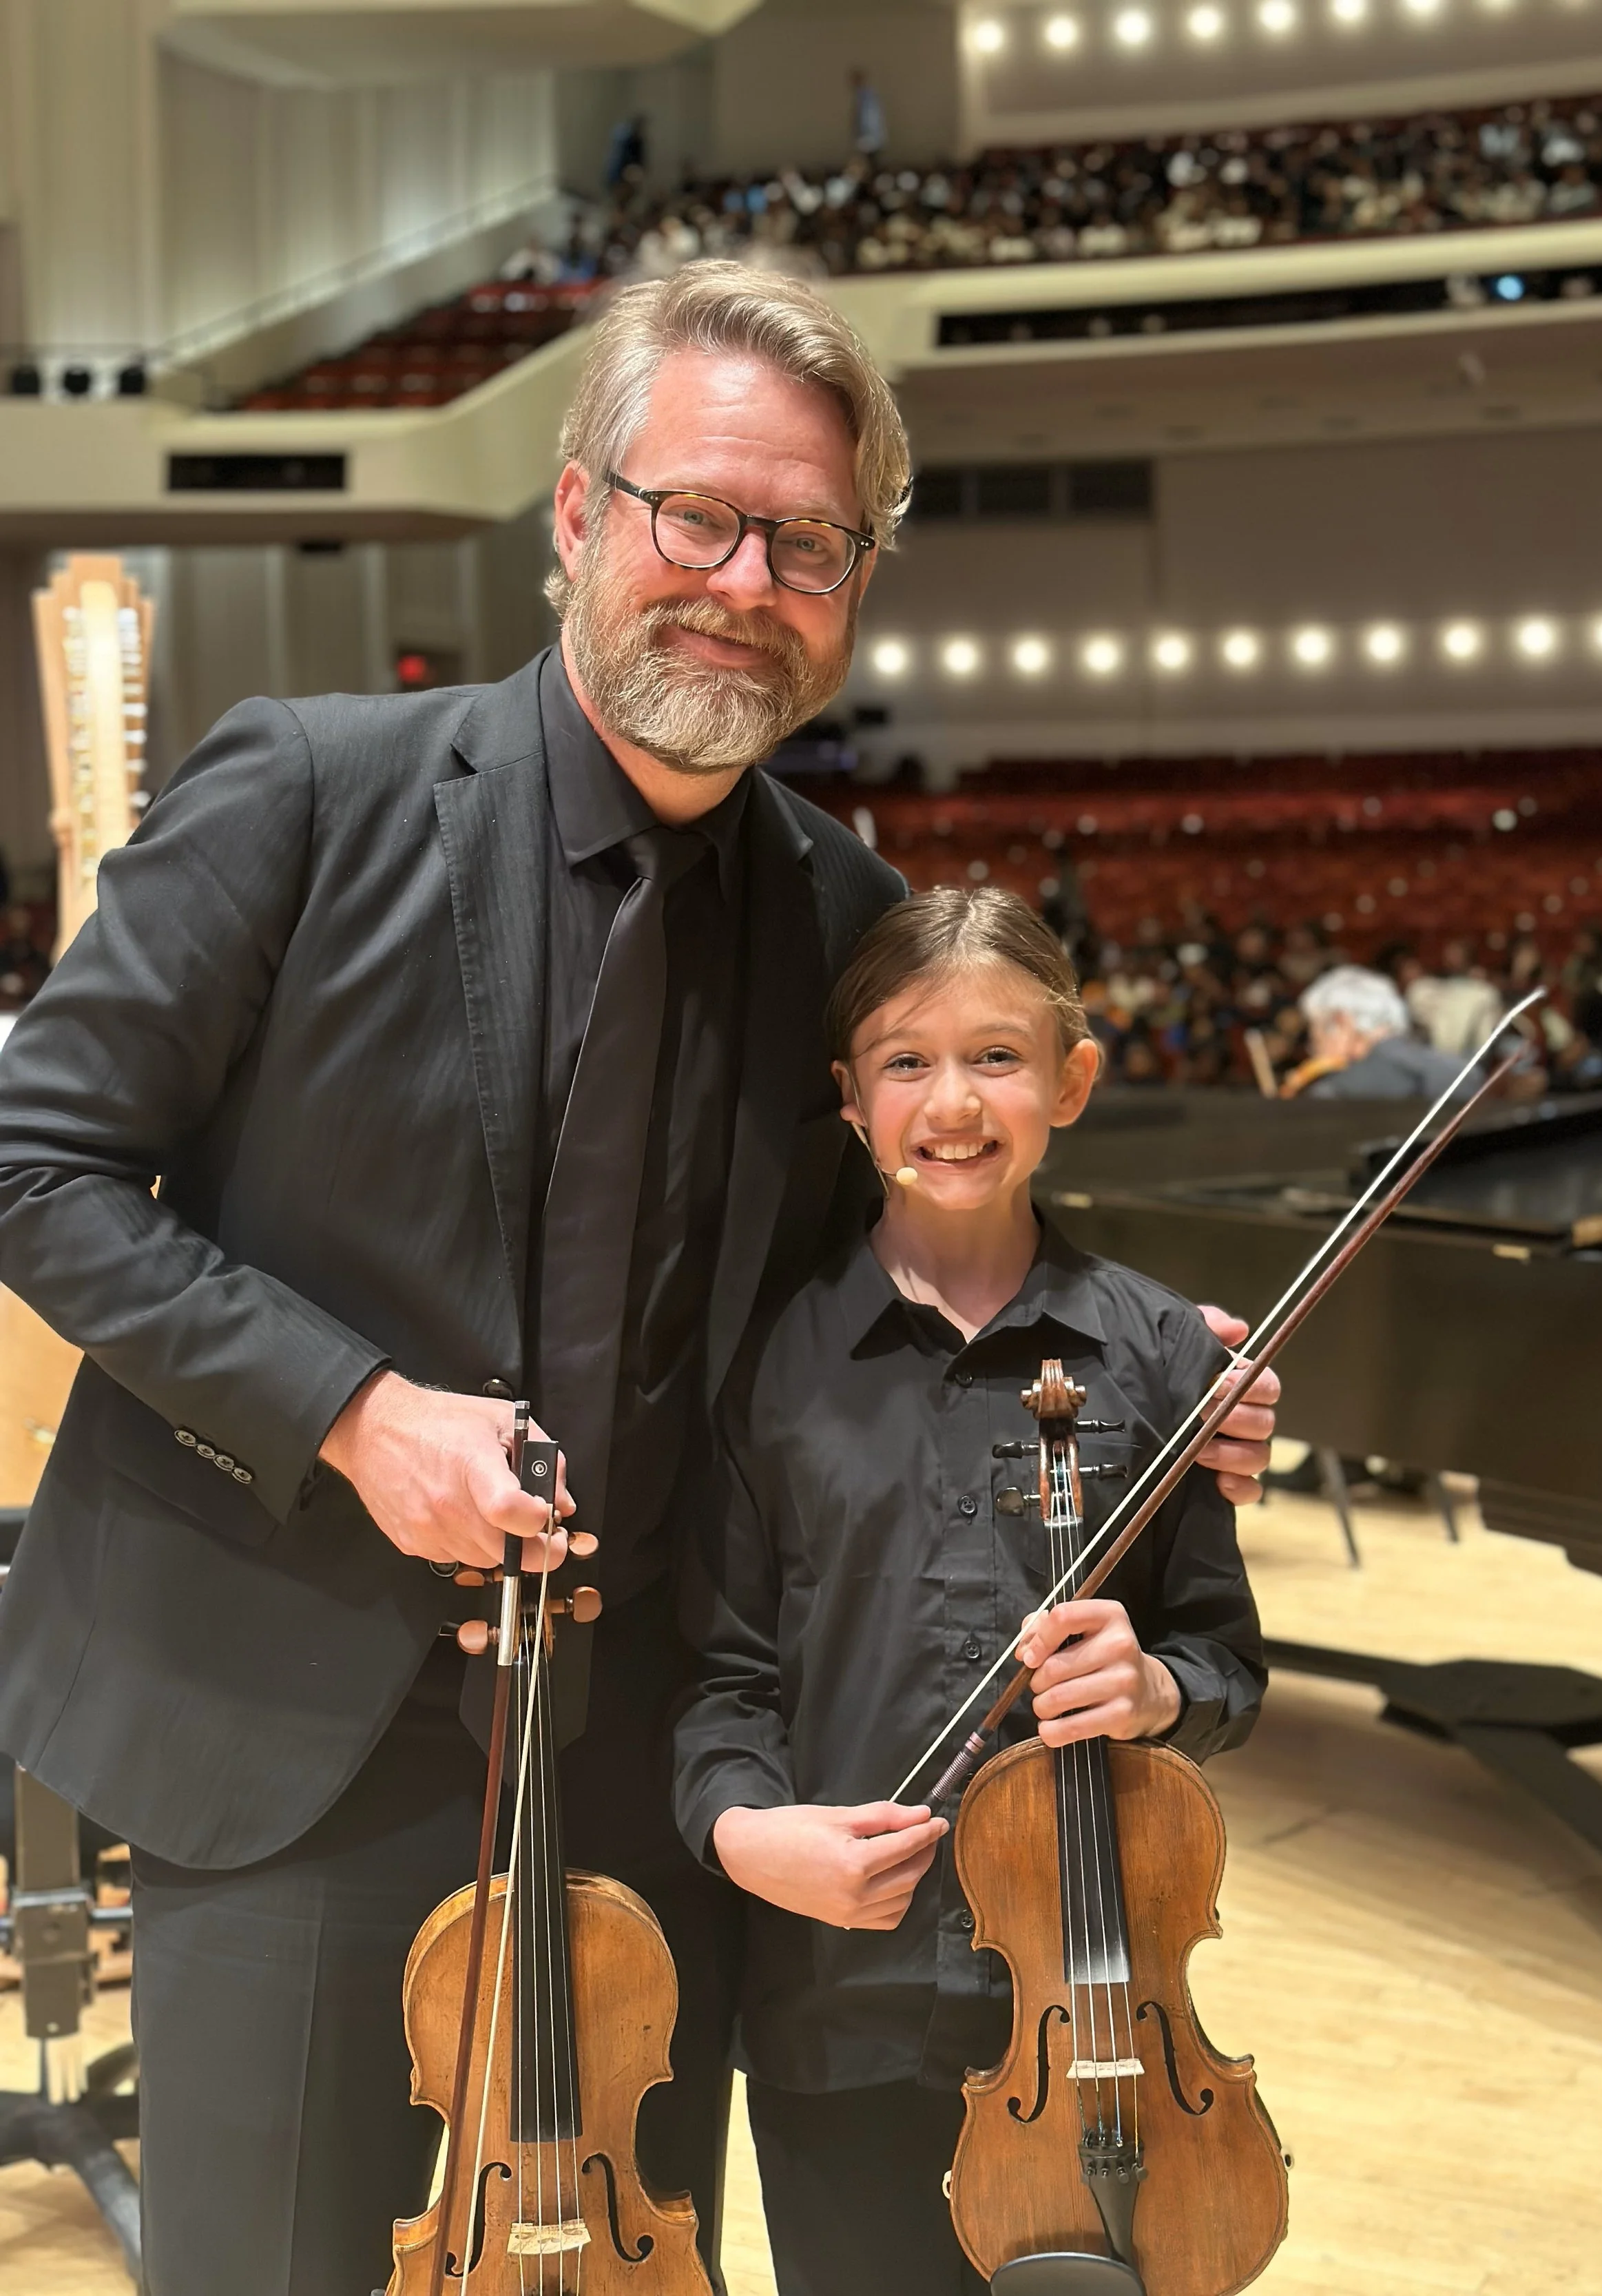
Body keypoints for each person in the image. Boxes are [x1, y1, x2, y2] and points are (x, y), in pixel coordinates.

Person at [0, 261, 1276, 2295]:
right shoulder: (311, 791)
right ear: (581, 512)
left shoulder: (841, 909)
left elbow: (893, 1266)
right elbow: (38, 1162)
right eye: (697, 514)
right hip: (292, 1707)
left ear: (852, 581)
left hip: (646, 1753)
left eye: (805, 542)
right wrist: (353, 1411)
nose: (742, 582)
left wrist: (1138, 1360)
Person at [674, 888, 1268, 2296]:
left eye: (997, 1055)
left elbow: (1226, 1664)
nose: (952, 1101)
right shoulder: (766, 1362)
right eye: (906, 1060)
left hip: (1100, 2009)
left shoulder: (1157, 1356)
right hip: (839, 1999)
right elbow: (719, 1675)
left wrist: (1155, 1686)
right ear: (849, 1096)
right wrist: (746, 1832)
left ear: (1070, 1078)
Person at [1282, 964, 1468, 1098]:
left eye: (1316, 1041)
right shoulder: (1462, 1072)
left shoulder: (1335, 1092)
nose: (1314, 1053)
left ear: (1342, 1023)